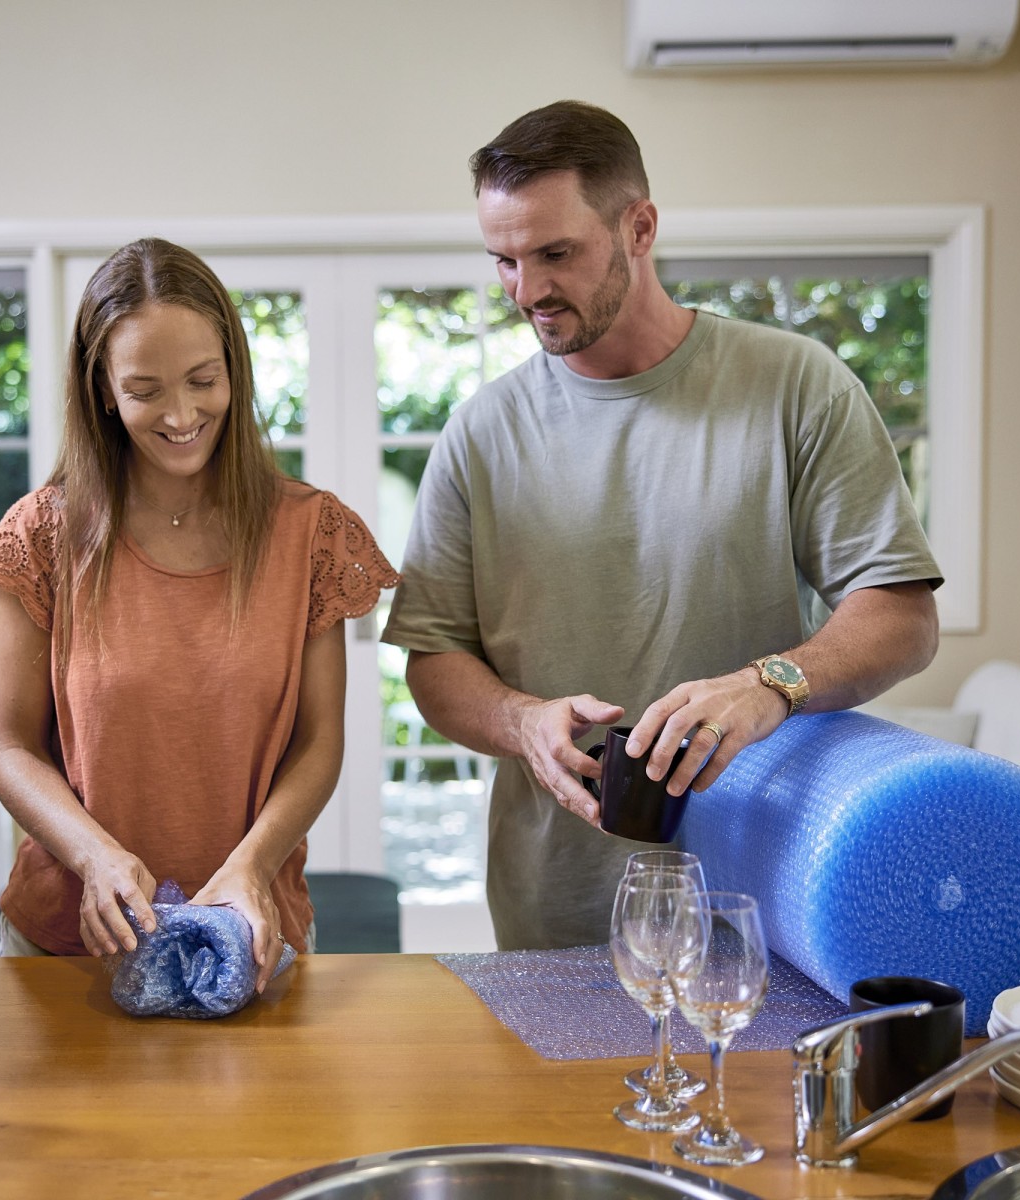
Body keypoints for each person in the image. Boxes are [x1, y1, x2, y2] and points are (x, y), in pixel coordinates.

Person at [381, 101, 942, 951]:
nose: (526, 291)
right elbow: (435, 659)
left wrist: (770, 683)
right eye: (504, 260)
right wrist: (518, 721)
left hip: (759, 904)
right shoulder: (482, 432)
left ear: (638, 226)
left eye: (556, 254)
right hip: (553, 910)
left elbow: (902, 614)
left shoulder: (795, 386)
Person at [0, 237, 398, 989]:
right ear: (102, 388)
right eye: (145, 390)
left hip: (254, 937)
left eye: (203, 380)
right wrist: (97, 858)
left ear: (234, 366)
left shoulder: (311, 533)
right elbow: (9, 748)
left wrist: (249, 871)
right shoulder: (41, 534)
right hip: (66, 949)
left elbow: (319, 742)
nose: (181, 414)